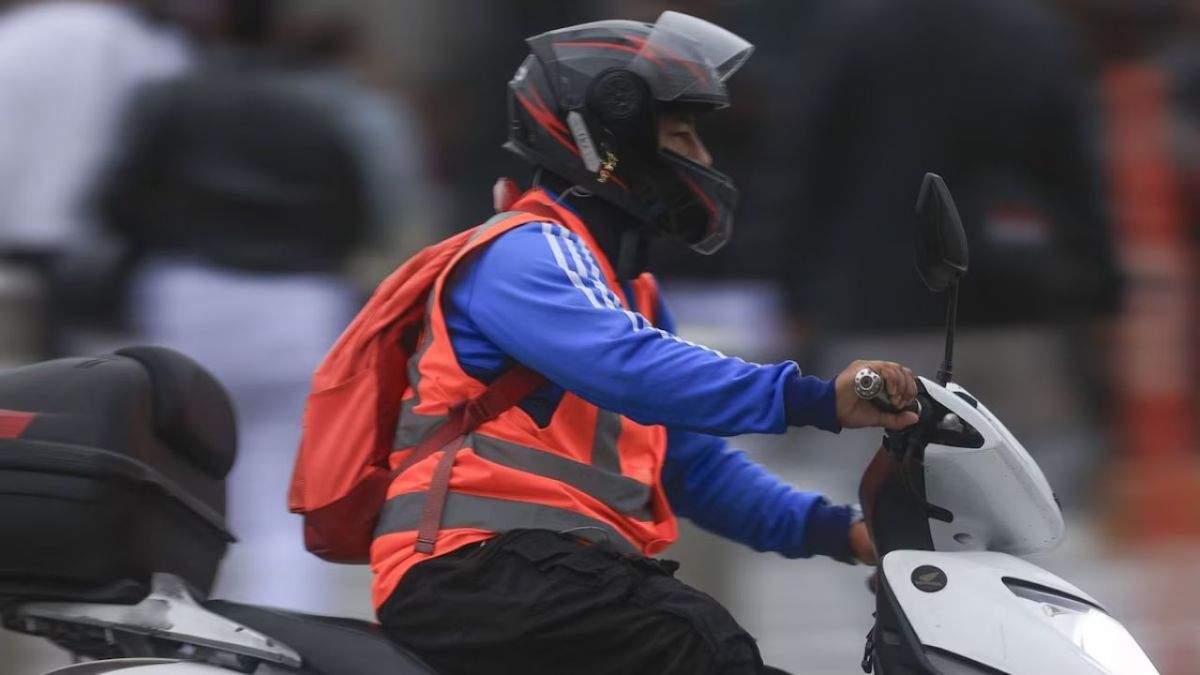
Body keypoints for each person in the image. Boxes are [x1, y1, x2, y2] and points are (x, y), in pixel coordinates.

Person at [372, 13, 919, 675]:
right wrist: (814, 399)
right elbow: (627, 367)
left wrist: (844, 531)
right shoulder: (522, 252)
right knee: (695, 642)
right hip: (474, 571)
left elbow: (691, 467)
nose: (706, 160)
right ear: (611, 139)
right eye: (683, 136)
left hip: (547, 575)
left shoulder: (627, 292)